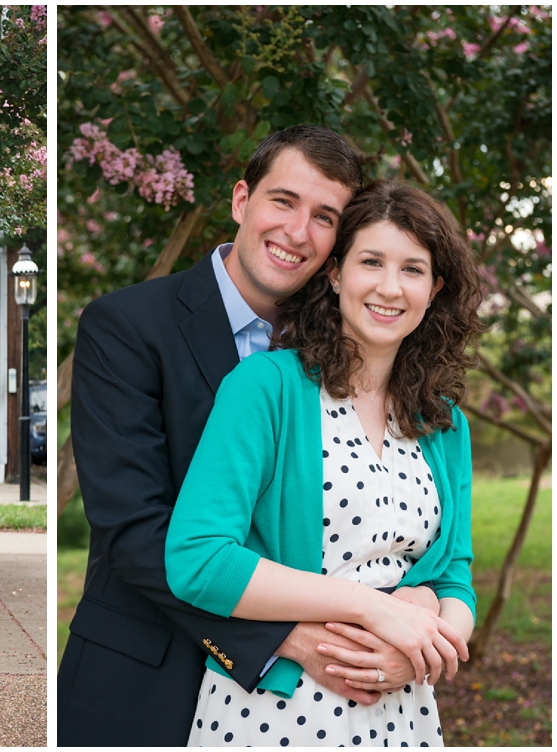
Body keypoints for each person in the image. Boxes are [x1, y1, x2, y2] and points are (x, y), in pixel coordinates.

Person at [58, 125, 391, 746]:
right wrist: (282, 637)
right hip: (142, 677)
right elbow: (132, 530)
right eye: (283, 201)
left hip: (302, 708)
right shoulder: (126, 326)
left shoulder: (340, 356)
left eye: (325, 217)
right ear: (242, 201)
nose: (297, 232)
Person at [165, 180, 482, 745]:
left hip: (404, 717)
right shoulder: (266, 388)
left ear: (434, 289)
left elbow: (456, 574)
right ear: (335, 273)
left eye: (412, 269)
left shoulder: (444, 421)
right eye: (371, 262)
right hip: (274, 712)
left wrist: (426, 647)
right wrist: (372, 611)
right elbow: (200, 560)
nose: (390, 287)